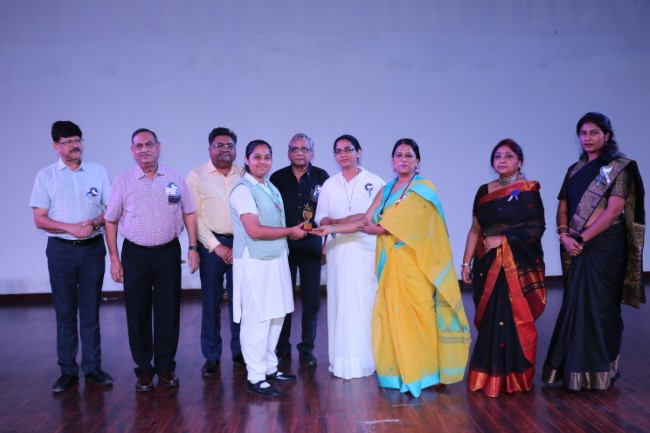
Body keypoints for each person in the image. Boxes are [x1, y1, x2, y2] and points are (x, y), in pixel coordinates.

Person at [314, 138, 471, 397]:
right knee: (392, 317)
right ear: (392, 160)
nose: (403, 160)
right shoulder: (386, 190)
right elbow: (366, 220)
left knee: (419, 318)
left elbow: (403, 225)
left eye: (409, 155)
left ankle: (425, 374)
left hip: (414, 264)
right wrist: (330, 228)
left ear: (417, 160)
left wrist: (379, 228)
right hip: (389, 263)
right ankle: (399, 373)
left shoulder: (423, 189)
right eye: (399, 155)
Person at [542, 112, 645, 391]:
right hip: (575, 244)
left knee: (601, 307)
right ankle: (574, 372)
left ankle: (602, 371)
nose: (588, 138)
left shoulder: (620, 167)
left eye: (594, 133)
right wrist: (564, 235)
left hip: (606, 246)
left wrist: (581, 238)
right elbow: (563, 206)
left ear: (606, 136)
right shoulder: (574, 170)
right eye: (583, 133)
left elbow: (613, 211)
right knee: (575, 306)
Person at [104, 128, 200, 392]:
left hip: (168, 253)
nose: (144, 149)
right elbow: (110, 220)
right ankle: (144, 370)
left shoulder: (174, 177)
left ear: (159, 146)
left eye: (149, 144)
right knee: (138, 313)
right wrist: (114, 259)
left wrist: (193, 247)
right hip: (135, 254)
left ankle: (166, 367)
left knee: (169, 310)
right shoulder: (124, 181)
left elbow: (189, 212)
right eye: (139, 146)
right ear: (132, 151)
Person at [30, 120, 113, 393]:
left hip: (92, 249)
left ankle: (93, 367)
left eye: (78, 140)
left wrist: (96, 222)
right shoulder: (46, 176)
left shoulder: (98, 172)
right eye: (68, 142)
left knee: (90, 311)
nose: (75, 145)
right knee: (65, 312)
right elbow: (40, 219)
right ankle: (67, 370)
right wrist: (70, 228)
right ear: (56, 146)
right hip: (61, 251)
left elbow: (112, 210)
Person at [461, 139, 546, 398]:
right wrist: (466, 263)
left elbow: (536, 228)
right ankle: (486, 374)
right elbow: (475, 230)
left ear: (519, 161)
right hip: (486, 264)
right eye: (497, 156)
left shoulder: (528, 190)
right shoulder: (484, 190)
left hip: (515, 266)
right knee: (490, 320)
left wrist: (504, 239)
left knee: (511, 318)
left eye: (508, 156)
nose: (502, 160)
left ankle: (514, 377)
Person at [230, 140, 306, 397]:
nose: (263, 162)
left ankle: (270, 367)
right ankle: (255, 376)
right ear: (246, 160)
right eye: (257, 157)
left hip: (276, 257)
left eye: (267, 157)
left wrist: (293, 232)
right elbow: (254, 230)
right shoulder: (243, 190)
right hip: (254, 261)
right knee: (257, 319)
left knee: (276, 314)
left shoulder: (269, 187)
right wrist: (291, 232)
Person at [314, 134, 385, 379]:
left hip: (365, 248)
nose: (343, 154)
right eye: (338, 151)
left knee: (365, 303)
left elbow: (375, 217)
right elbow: (321, 217)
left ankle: (368, 358)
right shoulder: (329, 184)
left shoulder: (375, 181)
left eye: (348, 149)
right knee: (340, 302)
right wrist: (339, 222)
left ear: (359, 152)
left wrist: (344, 222)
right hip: (338, 249)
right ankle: (343, 360)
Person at [187, 127, 244, 376]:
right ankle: (211, 355)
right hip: (210, 245)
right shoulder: (196, 175)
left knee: (239, 302)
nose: (225, 150)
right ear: (210, 148)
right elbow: (193, 215)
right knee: (211, 301)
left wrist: (237, 244)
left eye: (229, 145)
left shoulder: (243, 174)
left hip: (241, 243)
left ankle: (240, 351)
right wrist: (216, 245)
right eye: (219, 145)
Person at [270, 133, 329, 366]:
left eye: (304, 149)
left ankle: (307, 348)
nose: (299, 153)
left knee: (311, 299)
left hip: (312, 244)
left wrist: (326, 244)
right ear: (288, 152)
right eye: (294, 149)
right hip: (284, 244)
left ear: (312, 153)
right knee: (283, 298)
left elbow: (327, 213)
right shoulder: (277, 178)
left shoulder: (322, 177)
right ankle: (282, 347)